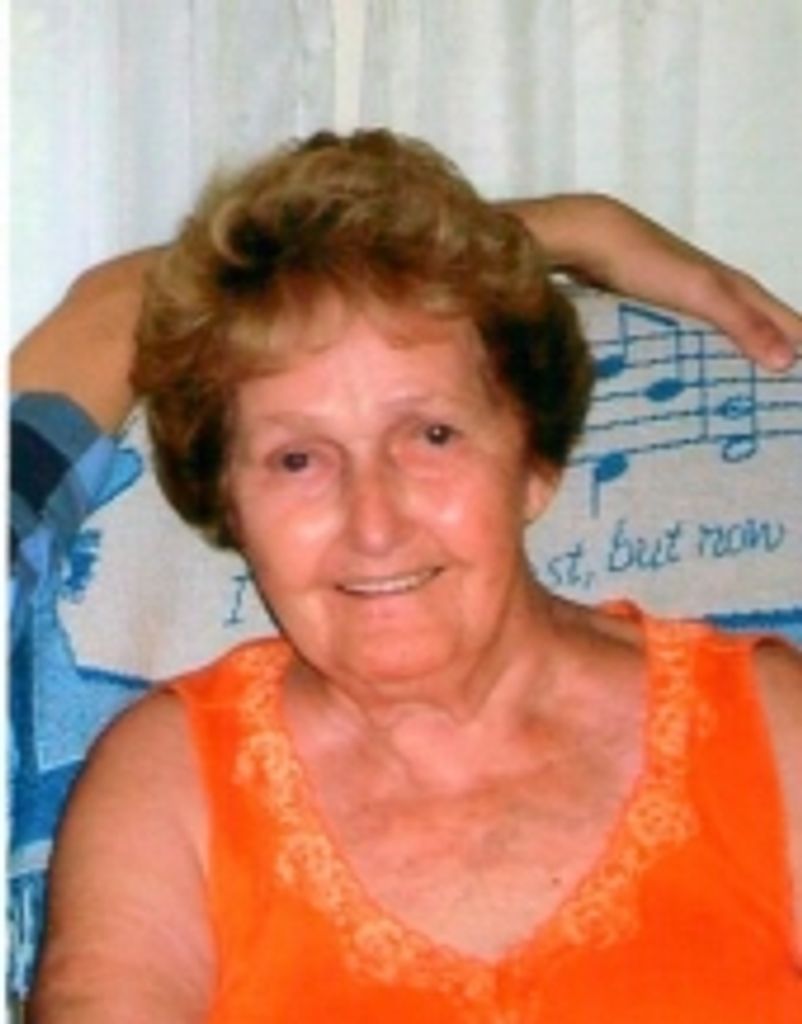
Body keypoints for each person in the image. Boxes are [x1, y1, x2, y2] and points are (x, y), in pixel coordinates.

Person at [19, 129, 802, 1020]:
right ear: (227, 502)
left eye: (432, 436)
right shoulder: (169, 786)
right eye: (297, 460)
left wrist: (583, 226)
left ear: (536, 464)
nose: (375, 523)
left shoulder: (770, 729)